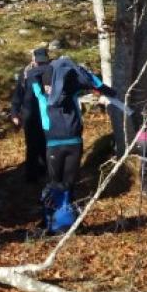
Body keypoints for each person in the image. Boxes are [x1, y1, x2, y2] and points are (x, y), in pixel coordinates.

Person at [26, 55, 116, 232]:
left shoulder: (42, 95)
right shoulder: (72, 90)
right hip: (74, 142)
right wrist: (107, 90)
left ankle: (57, 221)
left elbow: (31, 76)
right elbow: (90, 81)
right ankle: (63, 220)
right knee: (67, 184)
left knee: (56, 183)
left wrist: (42, 68)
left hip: (54, 143)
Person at [10, 48, 49, 182]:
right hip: (29, 114)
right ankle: (32, 176)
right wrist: (14, 113)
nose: (40, 65)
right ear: (33, 60)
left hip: (47, 113)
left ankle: (47, 172)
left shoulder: (50, 72)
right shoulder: (25, 73)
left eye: (43, 62)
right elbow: (18, 94)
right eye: (39, 62)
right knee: (32, 145)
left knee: (46, 143)